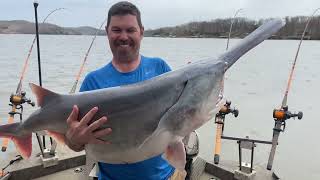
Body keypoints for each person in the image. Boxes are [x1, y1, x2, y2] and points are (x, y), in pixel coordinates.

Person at [64, 1, 186, 180]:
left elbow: (179, 121)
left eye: (130, 30)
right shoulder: (93, 81)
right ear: (107, 32)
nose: (123, 36)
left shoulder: (160, 68)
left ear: (141, 32)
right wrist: (74, 138)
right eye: (116, 30)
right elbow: (74, 144)